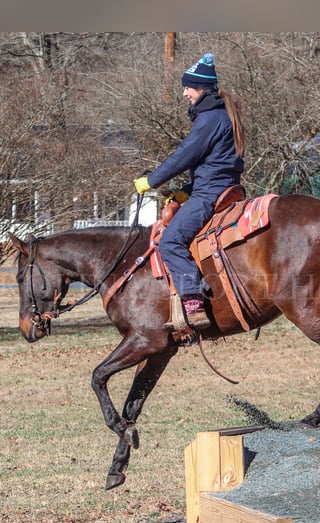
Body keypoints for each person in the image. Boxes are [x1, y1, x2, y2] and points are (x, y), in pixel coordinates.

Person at [133, 52, 246, 329]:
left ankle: (193, 303)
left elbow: (184, 156)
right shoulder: (221, 116)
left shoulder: (209, 119)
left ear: (201, 88)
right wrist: (185, 191)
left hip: (210, 193)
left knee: (169, 241)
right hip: (218, 187)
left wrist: (151, 181)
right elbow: (216, 165)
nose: (184, 94)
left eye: (188, 87)